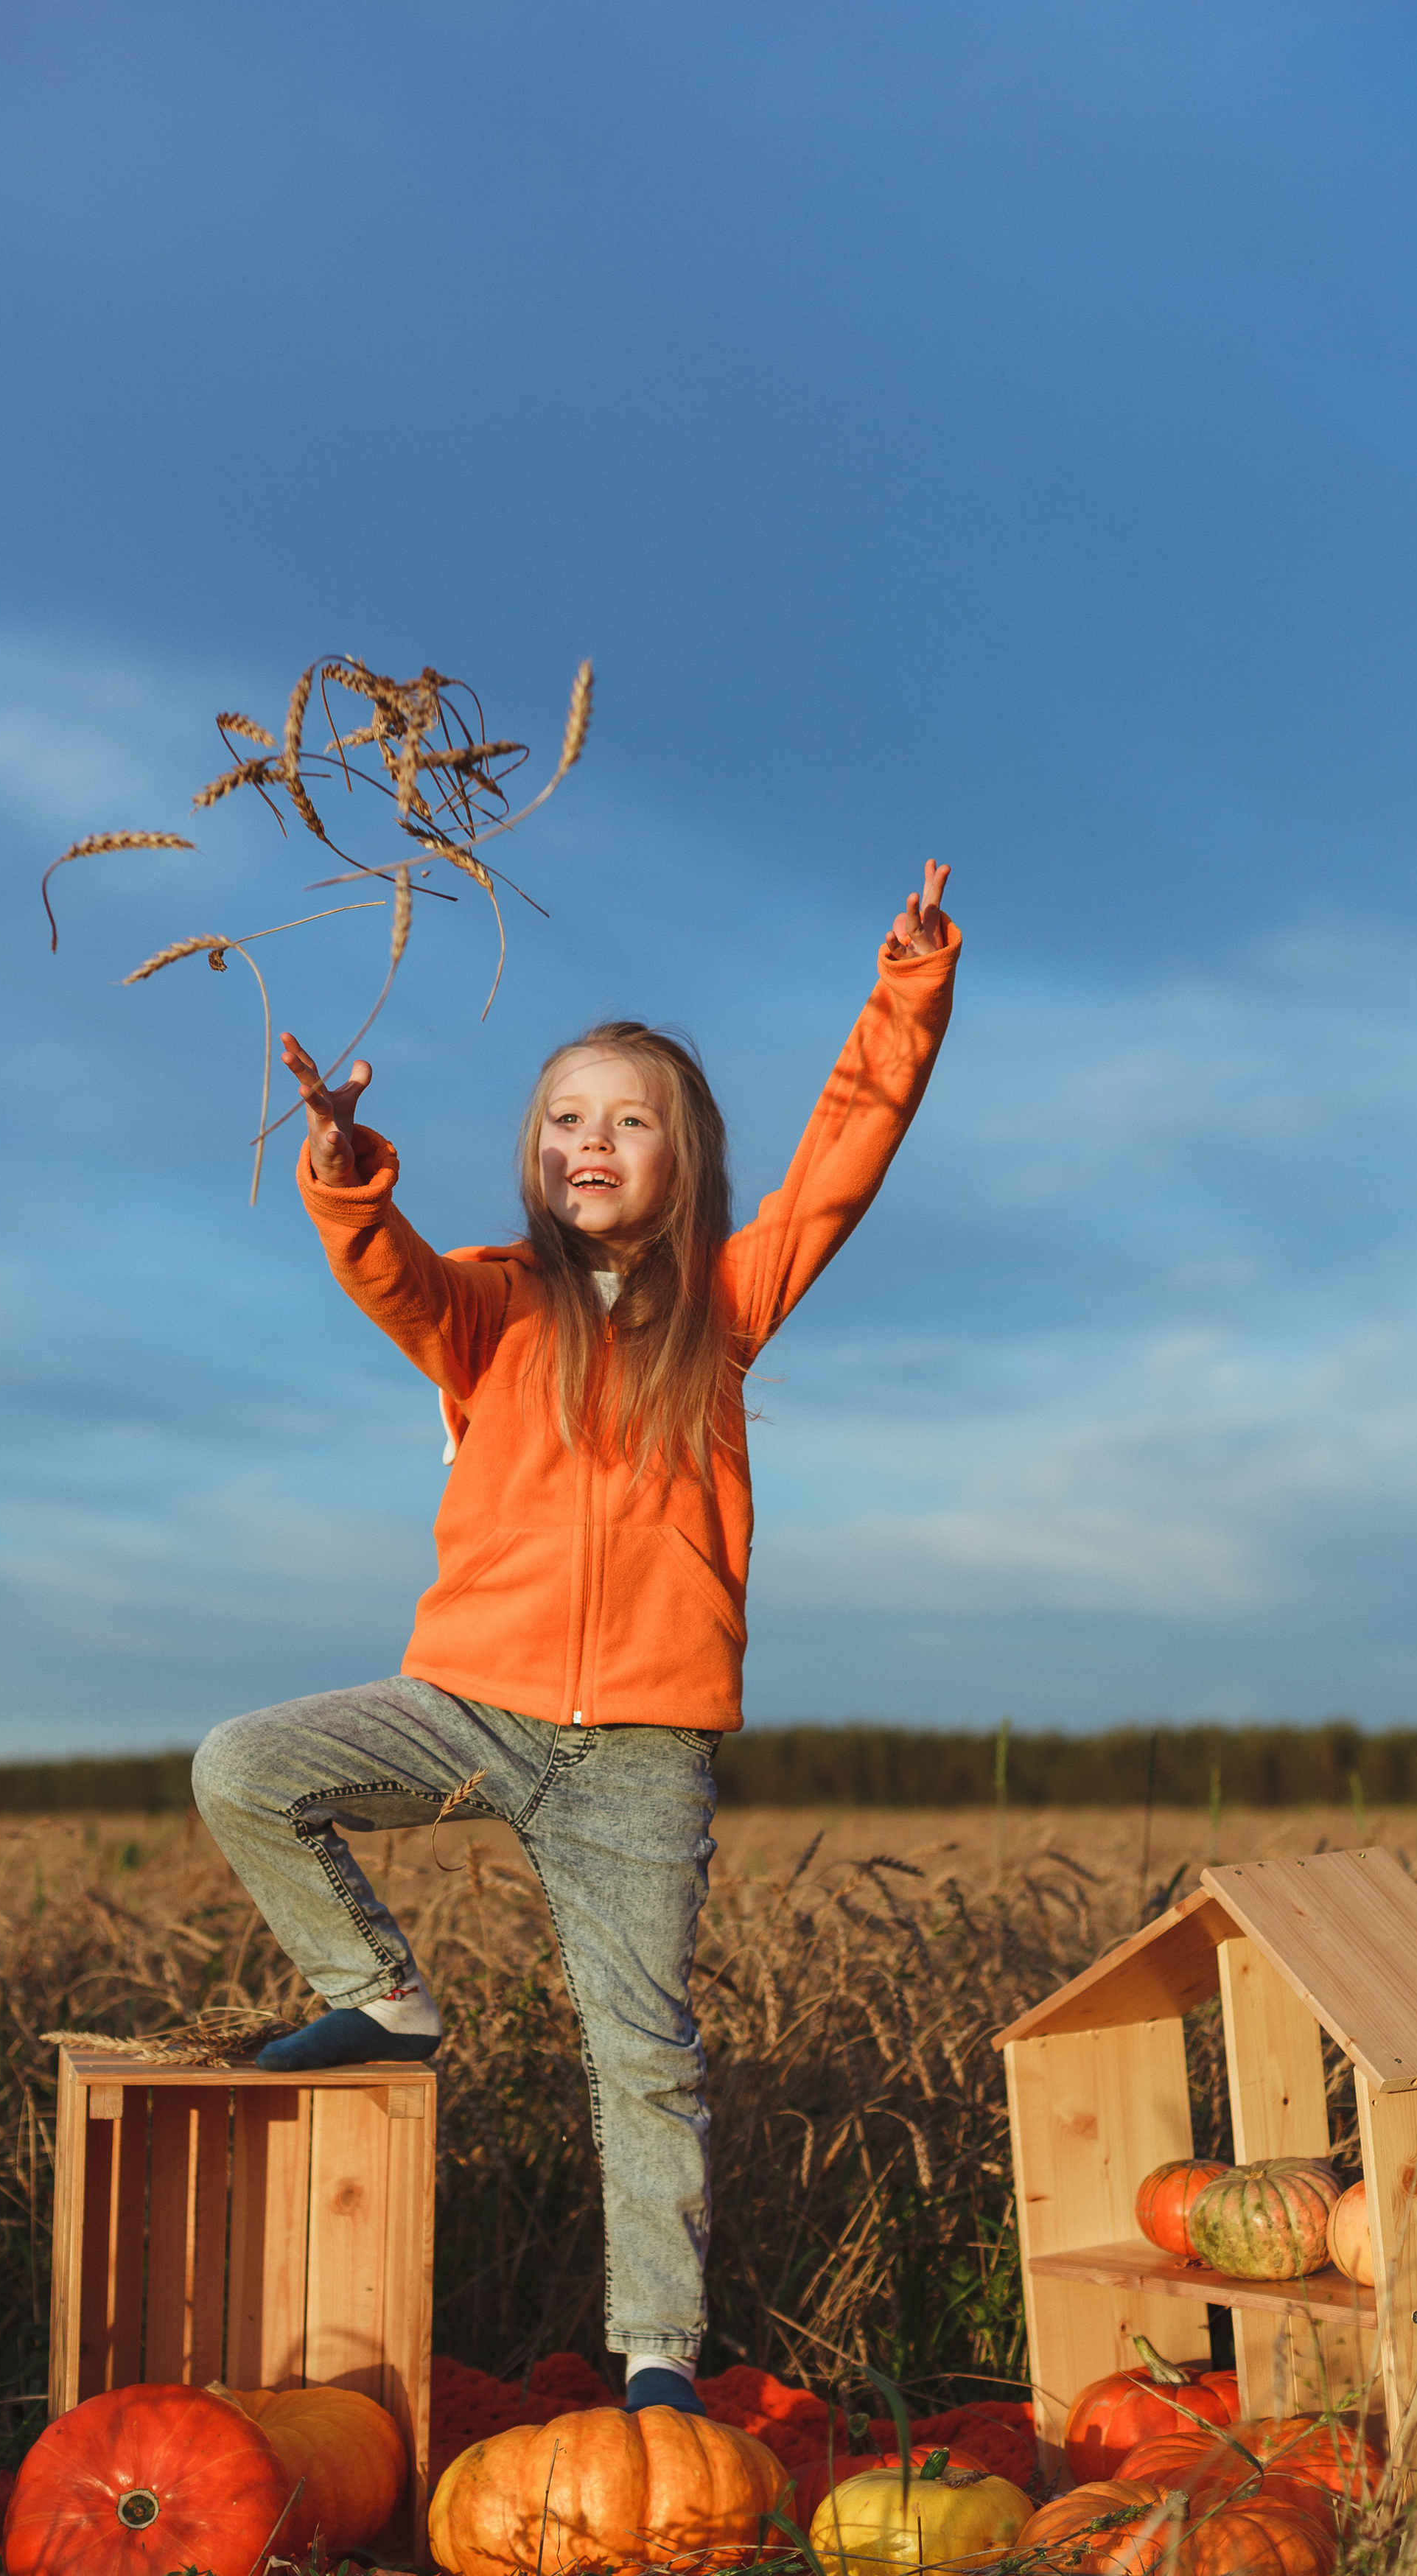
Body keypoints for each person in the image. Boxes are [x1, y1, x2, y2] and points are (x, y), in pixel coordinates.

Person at [192, 860, 962, 2414]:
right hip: (468, 1699)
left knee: (643, 2059)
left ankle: (658, 2362)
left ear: (683, 1155)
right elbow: (382, 1270)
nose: (588, 1142)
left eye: (624, 1119)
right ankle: (384, 1996)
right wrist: (344, 1169)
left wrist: (906, 994)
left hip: (643, 1751)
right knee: (243, 1766)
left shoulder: (728, 1306)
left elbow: (843, 1159)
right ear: (532, 1154)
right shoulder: (486, 1304)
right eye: (563, 1119)